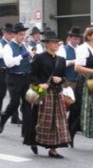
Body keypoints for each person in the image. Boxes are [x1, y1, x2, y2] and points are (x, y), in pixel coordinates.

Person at [25, 30, 71, 158]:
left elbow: (65, 77)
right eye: (53, 42)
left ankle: (53, 149)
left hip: (57, 93)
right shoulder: (39, 58)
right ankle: (33, 141)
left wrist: (60, 79)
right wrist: (39, 84)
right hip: (43, 92)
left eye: (57, 42)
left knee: (58, 121)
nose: (56, 44)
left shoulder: (61, 60)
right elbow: (31, 74)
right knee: (38, 118)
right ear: (47, 44)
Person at [0, 23, 32, 135]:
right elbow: (9, 63)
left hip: (26, 77)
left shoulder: (24, 45)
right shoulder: (8, 47)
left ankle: (26, 131)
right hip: (14, 78)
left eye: (23, 34)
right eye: (20, 34)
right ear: (14, 35)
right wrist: (21, 56)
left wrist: (31, 58)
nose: (22, 37)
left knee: (28, 104)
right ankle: (3, 119)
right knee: (14, 103)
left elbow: (28, 59)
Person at [57, 26, 82, 147]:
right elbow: (61, 64)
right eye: (74, 38)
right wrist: (73, 61)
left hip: (79, 81)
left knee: (76, 109)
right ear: (70, 38)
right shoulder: (63, 49)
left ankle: (70, 133)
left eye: (78, 39)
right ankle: (62, 132)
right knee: (65, 107)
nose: (76, 41)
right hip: (68, 82)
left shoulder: (81, 49)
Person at [0, 23, 22, 124]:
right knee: (1, 94)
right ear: (4, 33)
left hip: (11, 71)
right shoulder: (2, 44)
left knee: (14, 96)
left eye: (11, 33)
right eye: (8, 33)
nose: (10, 35)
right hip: (2, 70)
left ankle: (15, 117)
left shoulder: (13, 44)